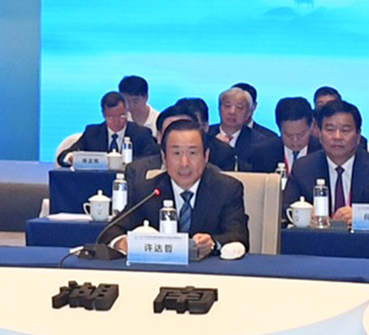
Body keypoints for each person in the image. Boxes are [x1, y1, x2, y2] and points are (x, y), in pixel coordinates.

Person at [116, 120, 247, 258]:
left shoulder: (227, 189)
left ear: (206, 156)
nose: (184, 163)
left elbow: (238, 236)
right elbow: (112, 231)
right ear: (164, 157)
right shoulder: (147, 191)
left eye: (192, 153)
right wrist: (122, 243)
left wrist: (213, 243)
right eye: (176, 153)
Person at [288, 99, 369, 222]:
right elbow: (285, 209)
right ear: (320, 134)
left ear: (358, 136)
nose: (337, 137)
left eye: (345, 130)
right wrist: (304, 214)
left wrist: (360, 215)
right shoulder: (303, 168)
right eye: (330, 129)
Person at [60, 91, 156, 164]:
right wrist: (71, 158)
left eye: (121, 116)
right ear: (103, 114)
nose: (117, 121)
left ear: (127, 111)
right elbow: (63, 156)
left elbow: (152, 159)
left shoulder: (141, 133)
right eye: (111, 117)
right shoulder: (92, 133)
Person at [212, 85, 283, 172]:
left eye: (239, 107)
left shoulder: (260, 143)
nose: (232, 112)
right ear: (219, 108)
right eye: (227, 106)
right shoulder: (206, 136)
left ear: (249, 113)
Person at [272, 97, 318, 175]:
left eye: (301, 134)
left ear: (311, 125)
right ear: (279, 128)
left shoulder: (323, 152)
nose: (295, 140)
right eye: (288, 135)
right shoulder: (263, 153)